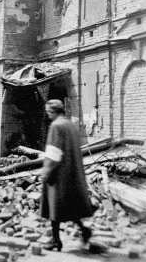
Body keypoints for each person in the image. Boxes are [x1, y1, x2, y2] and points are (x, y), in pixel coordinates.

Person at [40, 99, 93, 251]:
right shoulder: (70, 124)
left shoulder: (56, 126)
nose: (48, 115)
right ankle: (84, 231)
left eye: (48, 112)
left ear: (54, 112)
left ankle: (56, 241)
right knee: (69, 206)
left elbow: (54, 153)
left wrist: (46, 172)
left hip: (58, 175)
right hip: (71, 173)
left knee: (53, 207)